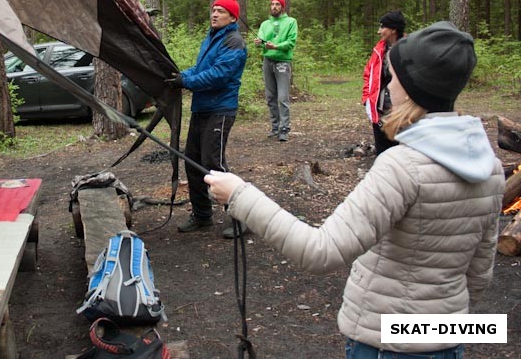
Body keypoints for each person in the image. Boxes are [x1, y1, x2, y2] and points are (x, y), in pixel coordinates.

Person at [205, 22, 503, 358]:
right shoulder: (489, 166)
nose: (388, 85)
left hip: (385, 348)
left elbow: (320, 252)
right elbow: (479, 275)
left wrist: (239, 195)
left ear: (413, 86)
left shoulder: (402, 167)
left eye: (393, 77)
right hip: (448, 342)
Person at [164, 0, 247, 238]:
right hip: (201, 108)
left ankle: (243, 217)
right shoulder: (211, 38)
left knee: (214, 164)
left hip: (220, 110)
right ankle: (202, 215)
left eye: (221, 11)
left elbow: (218, 76)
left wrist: (187, 81)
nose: (215, 14)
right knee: (193, 161)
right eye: (214, 10)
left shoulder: (234, 42)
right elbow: (201, 69)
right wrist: (180, 76)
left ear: (232, 17)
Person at [253, 0, 297, 142]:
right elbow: (260, 38)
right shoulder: (265, 24)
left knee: (283, 97)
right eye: (272, 4)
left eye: (277, 4)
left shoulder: (291, 22)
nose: (274, 7)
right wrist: (258, 42)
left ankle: (284, 128)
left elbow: (291, 42)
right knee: (270, 96)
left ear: (282, 7)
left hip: (283, 61)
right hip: (268, 60)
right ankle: (275, 127)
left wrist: (277, 46)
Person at [362, 11, 406, 155]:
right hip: (380, 110)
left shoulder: (410, 49)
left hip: (403, 112)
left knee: (401, 154)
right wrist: (367, 100)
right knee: (383, 153)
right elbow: (369, 74)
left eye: (382, 27)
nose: (379, 31)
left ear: (393, 29)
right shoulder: (379, 49)